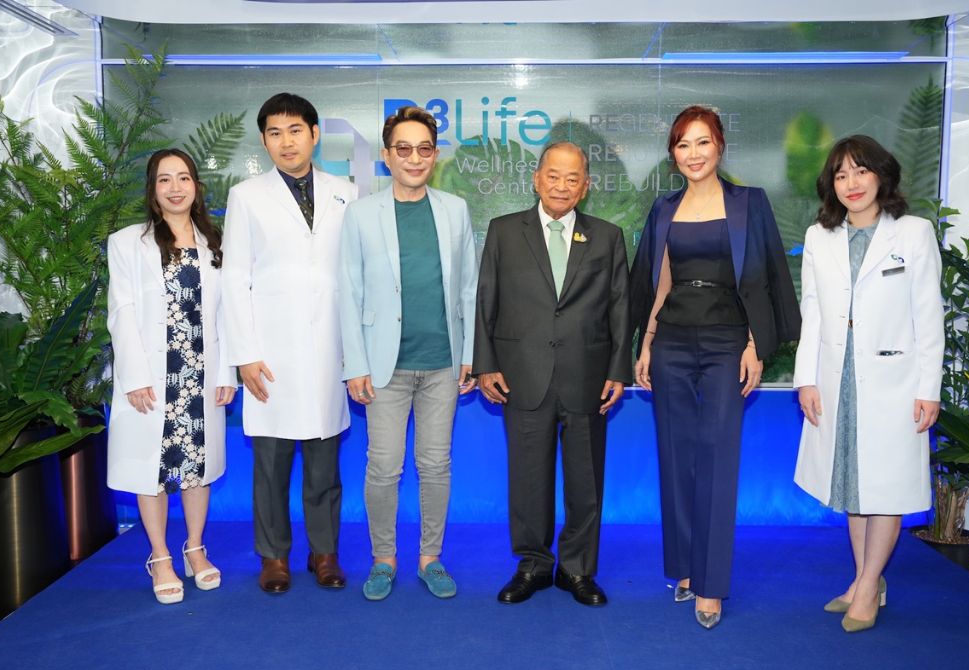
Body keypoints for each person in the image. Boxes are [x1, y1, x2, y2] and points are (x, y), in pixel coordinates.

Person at [629, 105, 801, 629]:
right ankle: (684, 567)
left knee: (718, 456)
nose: (694, 153)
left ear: (720, 146)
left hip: (729, 342)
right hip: (672, 341)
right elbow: (658, 283)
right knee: (675, 455)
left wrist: (755, 344)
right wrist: (646, 343)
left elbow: (767, 275)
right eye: (683, 144)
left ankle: (711, 584)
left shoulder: (750, 203)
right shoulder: (664, 208)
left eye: (702, 142)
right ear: (673, 154)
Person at [793, 135, 943, 633]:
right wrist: (806, 379)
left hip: (896, 382)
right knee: (852, 486)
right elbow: (812, 311)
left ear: (882, 175)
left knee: (886, 486)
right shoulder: (820, 237)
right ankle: (865, 580)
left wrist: (929, 387)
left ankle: (867, 586)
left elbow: (928, 314)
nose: (851, 184)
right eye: (841, 175)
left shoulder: (914, 233)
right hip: (837, 379)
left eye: (861, 171)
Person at [473, 141, 631, 607]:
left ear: (585, 186)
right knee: (528, 479)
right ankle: (533, 565)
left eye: (572, 178)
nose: (562, 185)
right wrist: (486, 364)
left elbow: (620, 308)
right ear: (537, 179)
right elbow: (486, 300)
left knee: (586, 481)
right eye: (554, 176)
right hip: (522, 375)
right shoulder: (504, 231)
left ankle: (578, 569)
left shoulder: (607, 236)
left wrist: (618, 370)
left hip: (588, 376)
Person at [339, 106, 477, 601]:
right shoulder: (360, 214)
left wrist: (471, 353)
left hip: (443, 363)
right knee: (384, 467)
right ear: (386, 155)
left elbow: (469, 287)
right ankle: (383, 559)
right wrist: (355, 365)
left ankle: (430, 558)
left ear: (434, 155)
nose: (414, 158)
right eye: (404, 149)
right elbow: (348, 292)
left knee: (436, 465)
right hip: (384, 367)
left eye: (424, 149)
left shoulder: (455, 210)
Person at [222, 93, 358, 594]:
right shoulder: (246, 196)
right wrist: (245, 354)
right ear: (264, 141)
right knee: (271, 465)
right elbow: (234, 277)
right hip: (270, 353)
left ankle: (324, 553)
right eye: (275, 133)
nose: (286, 142)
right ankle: (274, 556)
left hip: (329, 348)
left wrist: (356, 351)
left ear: (314, 135)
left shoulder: (347, 192)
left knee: (324, 465)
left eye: (295, 130)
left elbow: (355, 274)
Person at [107, 148, 237, 604]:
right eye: (165, 179)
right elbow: (121, 311)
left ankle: (195, 548)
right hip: (153, 376)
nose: (175, 188)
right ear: (153, 189)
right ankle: (160, 555)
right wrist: (134, 376)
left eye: (184, 178)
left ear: (196, 186)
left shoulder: (216, 243)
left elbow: (228, 313)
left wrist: (227, 371)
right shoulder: (127, 242)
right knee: (154, 470)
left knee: (198, 467)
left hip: (202, 372)